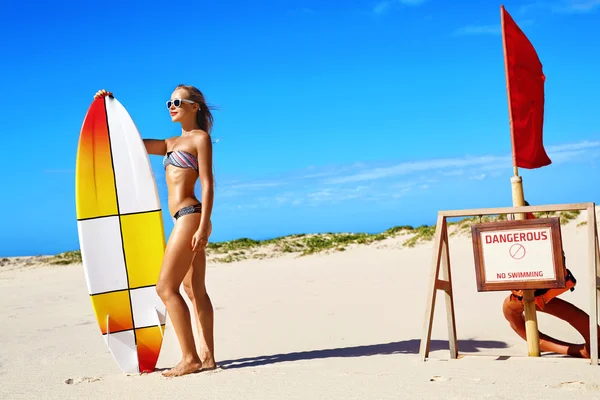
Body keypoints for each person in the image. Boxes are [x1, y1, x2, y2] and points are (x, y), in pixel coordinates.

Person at [94, 86, 217, 377]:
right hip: (183, 220)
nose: (171, 106)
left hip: (191, 217)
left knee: (165, 288)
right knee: (193, 289)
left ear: (195, 106)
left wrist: (202, 226)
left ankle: (190, 358)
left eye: (177, 102)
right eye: (168, 102)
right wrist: (108, 106)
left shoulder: (200, 139)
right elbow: (130, 142)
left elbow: (209, 183)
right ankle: (208, 357)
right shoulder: (170, 142)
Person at [502, 201, 598, 358]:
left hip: (540, 289)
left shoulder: (539, 233)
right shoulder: (538, 231)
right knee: (511, 310)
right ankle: (552, 346)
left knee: (515, 308)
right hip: (530, 292)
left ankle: (587, 346)